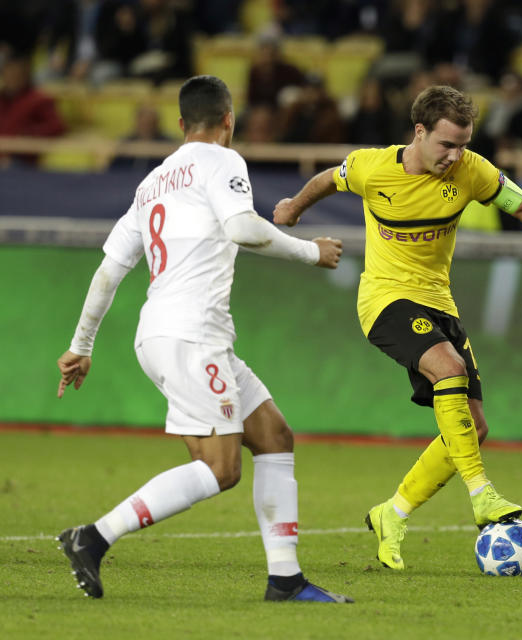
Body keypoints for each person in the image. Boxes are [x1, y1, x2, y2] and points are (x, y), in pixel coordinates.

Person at [273, 85, 522, 571]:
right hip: (385, 299)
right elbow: (329, 177)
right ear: (419, 132)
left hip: (439, 303)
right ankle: (481, 494)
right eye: (447, 144)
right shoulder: (373, 167)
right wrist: (294, 206)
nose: (456, 156)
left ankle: (393, 513)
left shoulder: (473, 171)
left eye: (464, 145)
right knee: (447, 369)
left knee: (474, 427)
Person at [55, 75, 352, 604]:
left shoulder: (151, 184)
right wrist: (311, 252)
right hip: (191, 335)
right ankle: (93, 537)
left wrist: (82, 345)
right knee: (220, 469)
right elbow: (242, 228)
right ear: (229, 121)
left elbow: (108, 271)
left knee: (274, 437)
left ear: (178, 124)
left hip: (167, 334)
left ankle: (286, 580)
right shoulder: (222, 161)